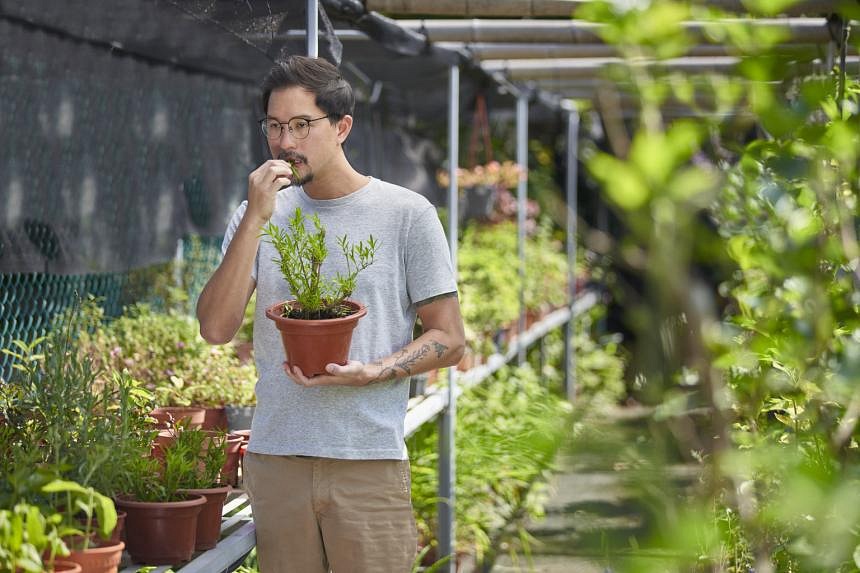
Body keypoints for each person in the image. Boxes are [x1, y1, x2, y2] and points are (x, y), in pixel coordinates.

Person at [196, 55, 465, 573]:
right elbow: (215, 328)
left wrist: (375, 371)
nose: (284, 141)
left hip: (368, 460)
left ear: (342, 127)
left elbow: (450, 339)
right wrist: (255, 215)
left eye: (301, 124)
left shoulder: (406, 215)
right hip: (277, 460)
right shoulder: (257, 213)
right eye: (274, 126)